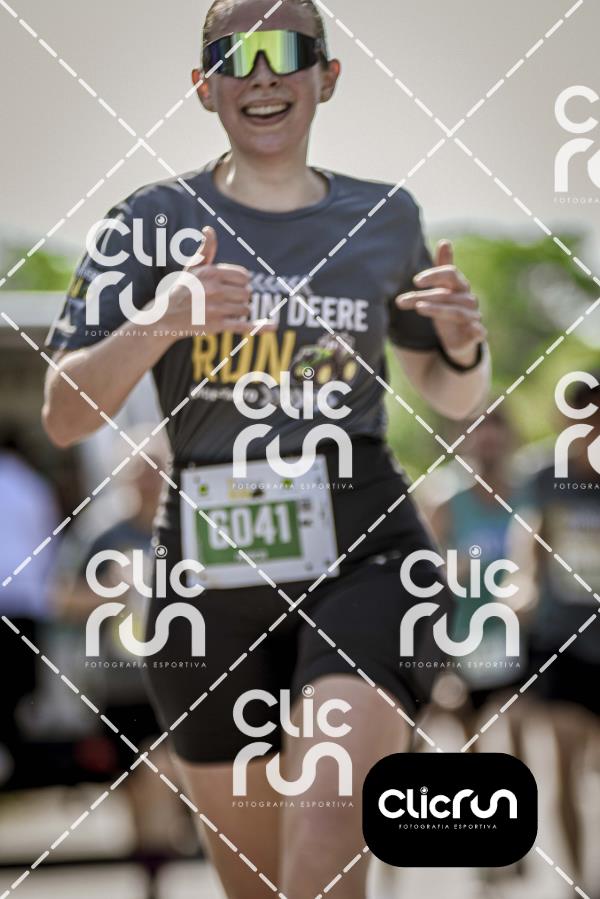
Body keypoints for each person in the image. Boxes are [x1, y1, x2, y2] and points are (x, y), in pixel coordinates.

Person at [42, 1, 490, 896]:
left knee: (325, 846)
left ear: (328, 75)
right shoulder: (149, 220)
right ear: (203, 86)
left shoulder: (384, 216)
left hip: (364, 546)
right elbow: (63, 413)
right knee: (260, 886)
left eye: (287, 50)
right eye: (232, 55)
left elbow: (449, 393)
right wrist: (162, 318)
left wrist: (465, 348)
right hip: (207, 570)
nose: (261, 74)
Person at [505, 374, 600, 884]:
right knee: (563, 761)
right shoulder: (544, 476)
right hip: (563, 639)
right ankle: (579, 883)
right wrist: (522, 583)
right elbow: (529, 535)